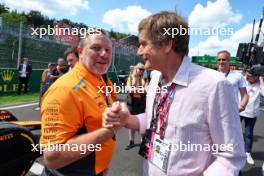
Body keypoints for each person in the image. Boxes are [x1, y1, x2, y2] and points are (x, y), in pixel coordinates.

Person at [103, 11, 246, 176]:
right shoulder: (156, 77)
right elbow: (154, 120)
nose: (139, 51)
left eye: (143, 44)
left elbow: (230, 156)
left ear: (166, 44)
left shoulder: (214, 85)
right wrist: (126, 119)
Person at [40, 30, 118, 176]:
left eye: (108, 50)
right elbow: (52, 157)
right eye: (96, 48)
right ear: (80, 52)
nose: (104, 54)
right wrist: (110, 130)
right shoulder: (65, 88)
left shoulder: (99, 78)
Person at [239, 69, 264, 165]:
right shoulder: (242, 80)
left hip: (252, 113)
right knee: (233, 131)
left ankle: (247, 153)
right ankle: (232, 150)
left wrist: (261, 80)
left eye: (249, 76)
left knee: (248, 134)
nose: (247, 77)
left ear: (257, 77)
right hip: (239, 110)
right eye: (246, 75)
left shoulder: (260, 84)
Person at [125, 62, 146, 150]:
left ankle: (143, 141)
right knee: (130, 123)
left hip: (141, 103)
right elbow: (128, 88)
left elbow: (146, 89)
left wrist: (135, 89)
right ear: (136, 69)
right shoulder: (130, 77)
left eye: (143, 70)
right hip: (132, 103)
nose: (141, 71)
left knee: (141, 123)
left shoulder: (144, 79)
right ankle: (131, 141)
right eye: (140, 69)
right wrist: (139, 89)